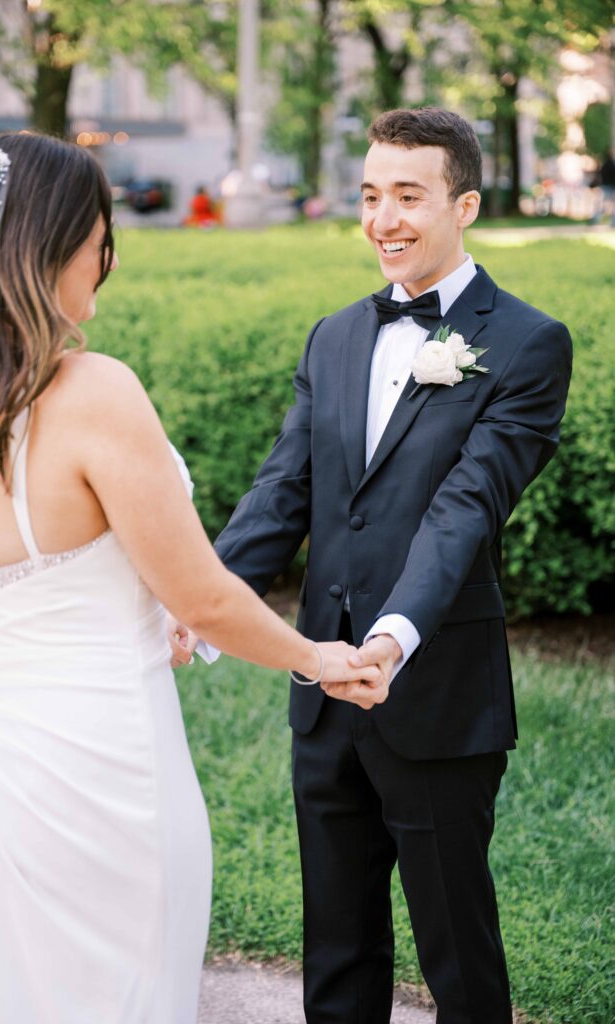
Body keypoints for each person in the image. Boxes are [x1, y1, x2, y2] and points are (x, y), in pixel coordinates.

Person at [0, 132, 379, 1024]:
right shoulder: (93, 392)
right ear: (54, 241)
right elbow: (202, 595)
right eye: (102, 234)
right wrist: (321, 659)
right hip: (97, 767)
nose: (110, 256)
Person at [170, 107, 573, 1023]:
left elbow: (463, 512)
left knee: (457, 953)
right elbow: (283, 491)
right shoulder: (334, 336)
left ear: (463, 204)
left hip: (431, 695)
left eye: (407, 197)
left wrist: (391, 641)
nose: (382, 219)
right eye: (368, 196)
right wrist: (201, 603)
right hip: (321, 691)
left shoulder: (526, 343)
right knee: (337, 950)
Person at [589, 150, 615, 226]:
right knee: (607, 205)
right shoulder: (611, 165)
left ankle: (595, 219)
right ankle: (612, 222)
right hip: (610, 187)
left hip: (605, 186)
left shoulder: (604, 165)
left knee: (601, 204)